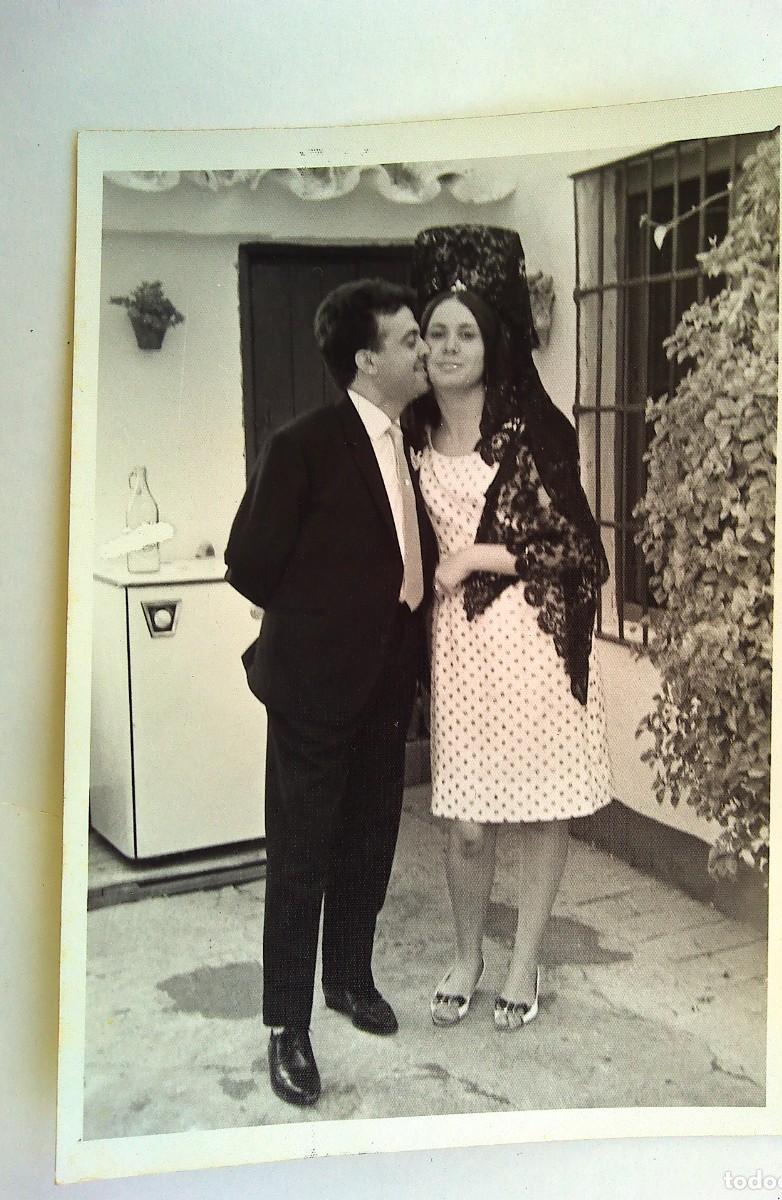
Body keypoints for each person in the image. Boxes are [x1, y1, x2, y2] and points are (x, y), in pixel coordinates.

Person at [224, 279, 437, 1106]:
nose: (424, 350)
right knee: (302, 855)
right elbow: (251, 564)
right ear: (367, 359)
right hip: (314, 688)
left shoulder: (406, 439)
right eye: (410, 339)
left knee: (370, 839)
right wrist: (331, 615)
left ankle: (348, 977)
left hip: (387, 682)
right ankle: (288, 1025)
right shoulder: (303, 445)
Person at [406, 225, 614, 1031]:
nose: (450, 347)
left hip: (533, 643)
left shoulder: (535, 429)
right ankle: (468, 955)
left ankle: (523, 962)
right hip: (460, 652)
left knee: (537, 809)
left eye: (466, 332)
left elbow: (580, 550)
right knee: (464, 820)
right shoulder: (413, 431)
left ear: (493, 341)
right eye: (436, 333)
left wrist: (474, 558)